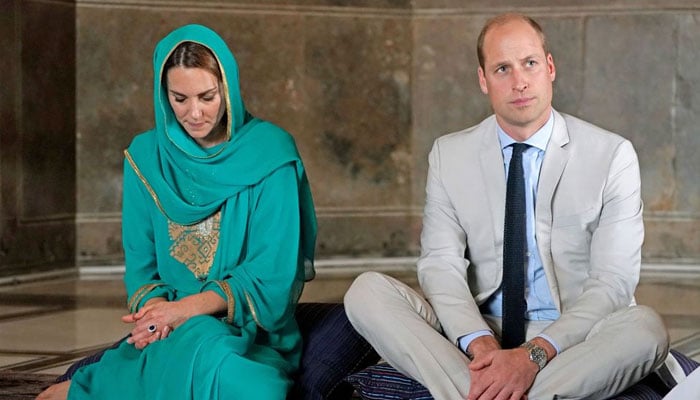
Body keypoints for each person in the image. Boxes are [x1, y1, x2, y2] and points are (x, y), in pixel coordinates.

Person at [344, 13, 669, 400]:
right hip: (481, 327)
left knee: (645, 329)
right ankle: (496, 388)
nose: (519, 81)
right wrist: (480, 344)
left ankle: (471, 392)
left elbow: (612, 284)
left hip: (573, 336)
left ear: (549, 67)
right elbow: (440, 265)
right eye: (502, 68)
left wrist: (534, 355)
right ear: (483, 80)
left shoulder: (611, 155)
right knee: (366, 293)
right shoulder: (449, 155)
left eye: (529, 63)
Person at [36, 23, 316, 400]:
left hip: (248, 329)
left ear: (228, 88)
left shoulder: (271, 154)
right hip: (170, 326)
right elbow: (142, 264)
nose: (195, 113)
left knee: (250, 386)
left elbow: (271, 275)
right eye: (179, 98)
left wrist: (185, 311)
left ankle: (104, 385)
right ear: (161, 94)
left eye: (207, 96)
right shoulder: (145, 157)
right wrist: (156, 317)